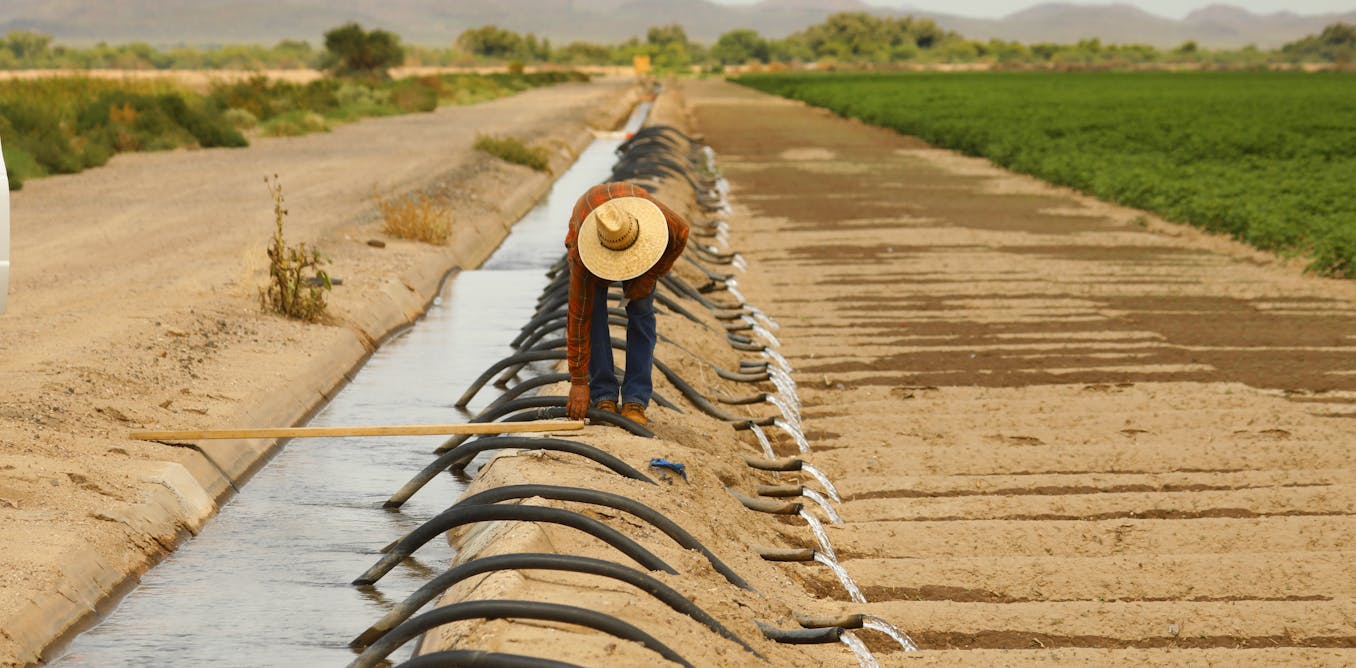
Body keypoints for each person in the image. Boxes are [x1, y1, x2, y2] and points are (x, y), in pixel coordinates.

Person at [564, 182, 689, 427]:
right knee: (594, 317)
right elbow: (578, 320)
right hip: (589, 234)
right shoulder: (583, 255)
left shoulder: (659, 220)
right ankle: (603, 396)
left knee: (641, 314)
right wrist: (579, 382)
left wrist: (652, 275)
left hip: (639, 240)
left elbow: (682, 233)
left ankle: (635, 400)